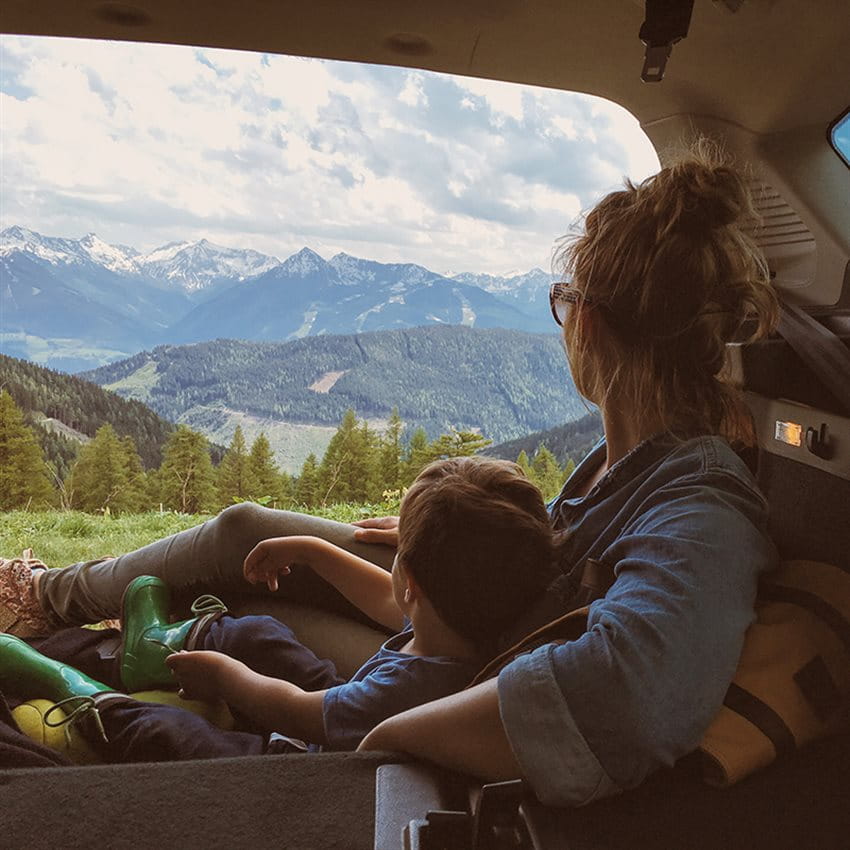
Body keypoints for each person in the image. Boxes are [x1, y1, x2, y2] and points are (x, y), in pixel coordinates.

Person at [1, 141, 780, 805]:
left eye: (562, 299)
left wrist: (386, 735)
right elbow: (574, 569)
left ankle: (75, 645)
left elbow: (624, 694)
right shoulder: (634, 465)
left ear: (592, 322)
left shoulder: (701, 509)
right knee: (248, 535)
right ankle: (48, 600)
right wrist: (451, 533)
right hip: (452, 640)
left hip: (445, 686)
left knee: (245, 606)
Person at [0, 456, 557, 763]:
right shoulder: (461, 629)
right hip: (345, 705)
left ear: (409, 580)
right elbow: (395, 604)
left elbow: (299, 711)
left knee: (161, 730)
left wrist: (230, 680)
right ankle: (155, 652)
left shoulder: (404, 694)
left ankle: (80, 693)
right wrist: (313, 550)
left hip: (298, 753)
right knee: (264, 632)